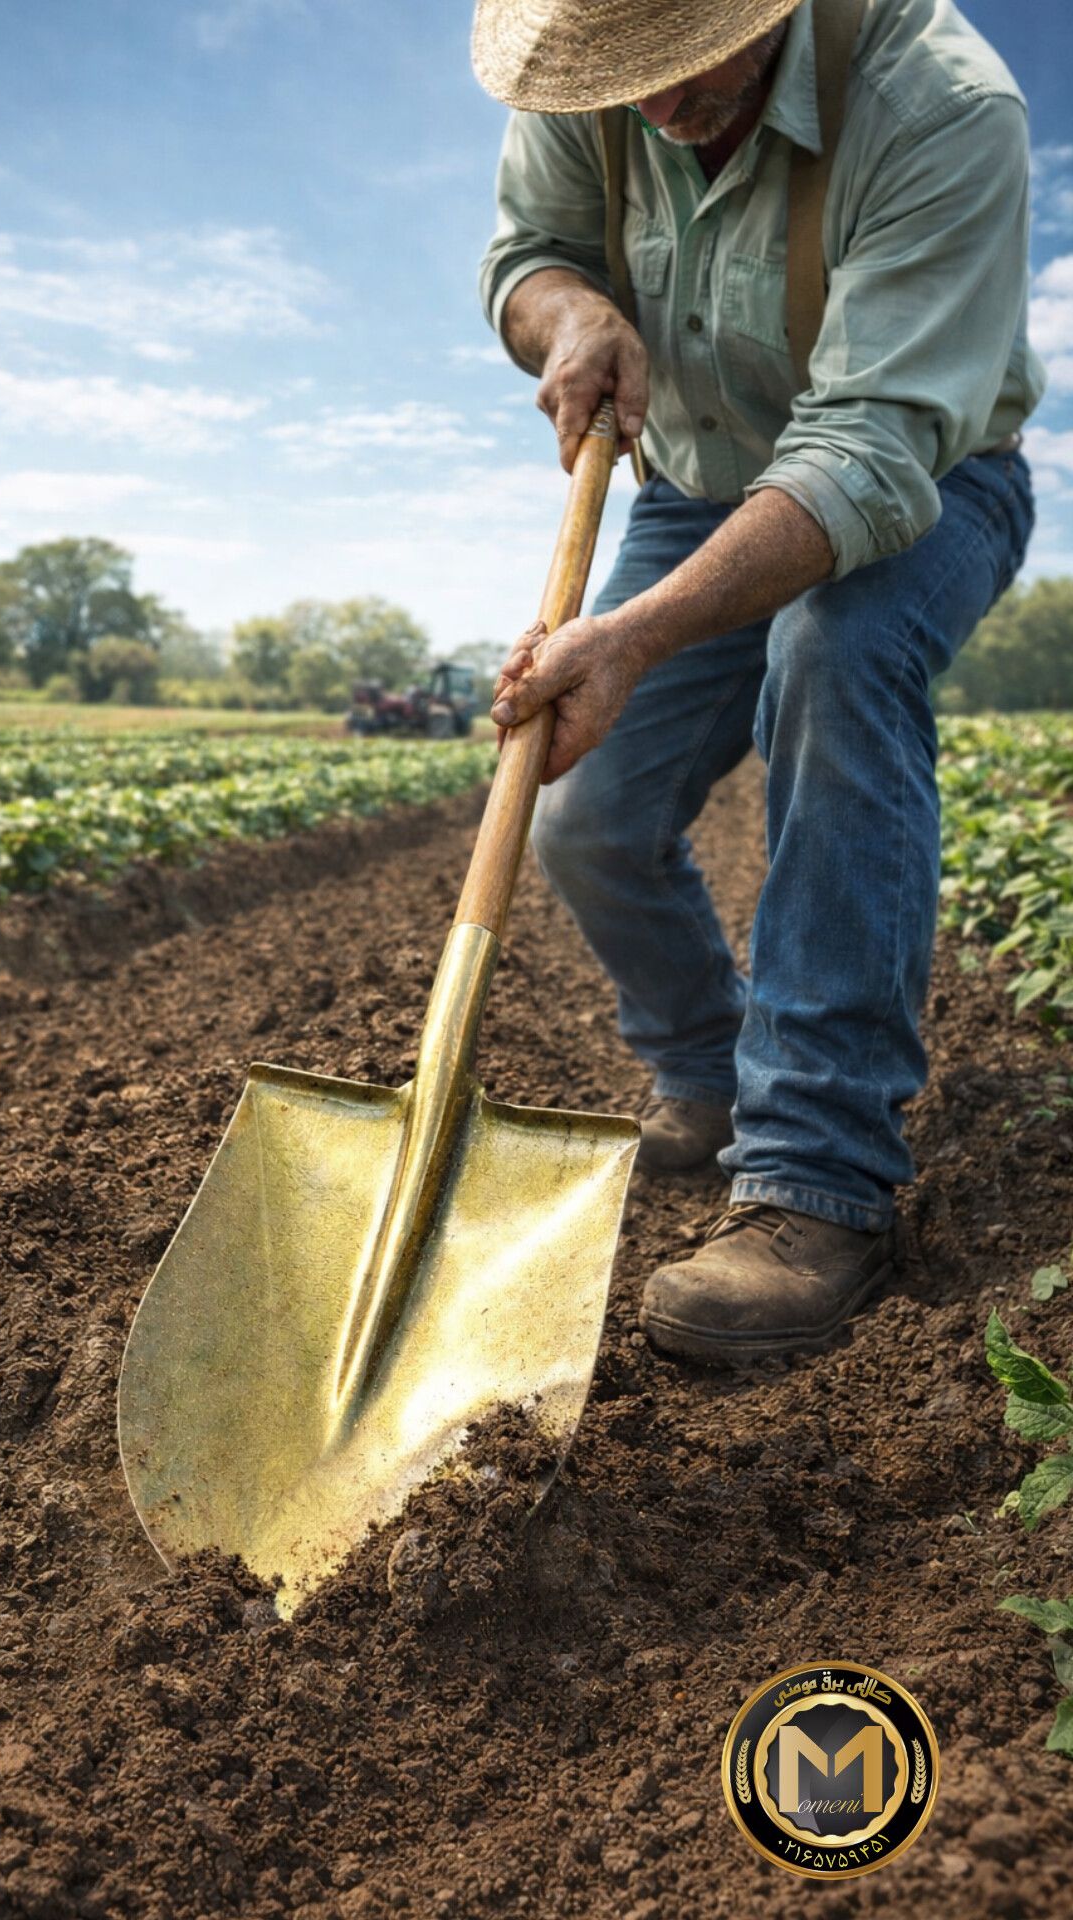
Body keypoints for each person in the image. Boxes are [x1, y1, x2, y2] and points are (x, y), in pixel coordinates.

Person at [472, 0, 1044, 1362]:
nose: (655, 106)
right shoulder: (582, 78)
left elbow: (867, 449)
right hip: (692, 486)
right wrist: (572, 315)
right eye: (627, 80)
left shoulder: (942, 103)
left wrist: (634, 637)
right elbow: (528, 256)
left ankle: (817, 1177)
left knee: (834, 654)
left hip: (921, 479)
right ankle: (710, 1076)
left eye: (682, 65)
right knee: (588, 809)